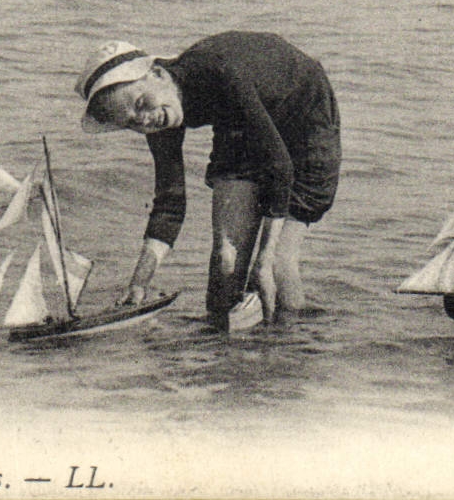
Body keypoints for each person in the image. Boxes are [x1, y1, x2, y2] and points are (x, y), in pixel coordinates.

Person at [76, 33, 342, 328]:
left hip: (305, 116)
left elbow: (280, 166)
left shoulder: (217, 70)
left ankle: (294, 345)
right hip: (242, 123)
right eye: (130, 123)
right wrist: (139, 282)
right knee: (226, 263)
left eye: (141, 103)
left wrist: (263, 261)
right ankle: (223, 356)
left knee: (277, 264)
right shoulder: (157, 120)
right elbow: (170, 205)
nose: (145, 120)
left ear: (158, 73)